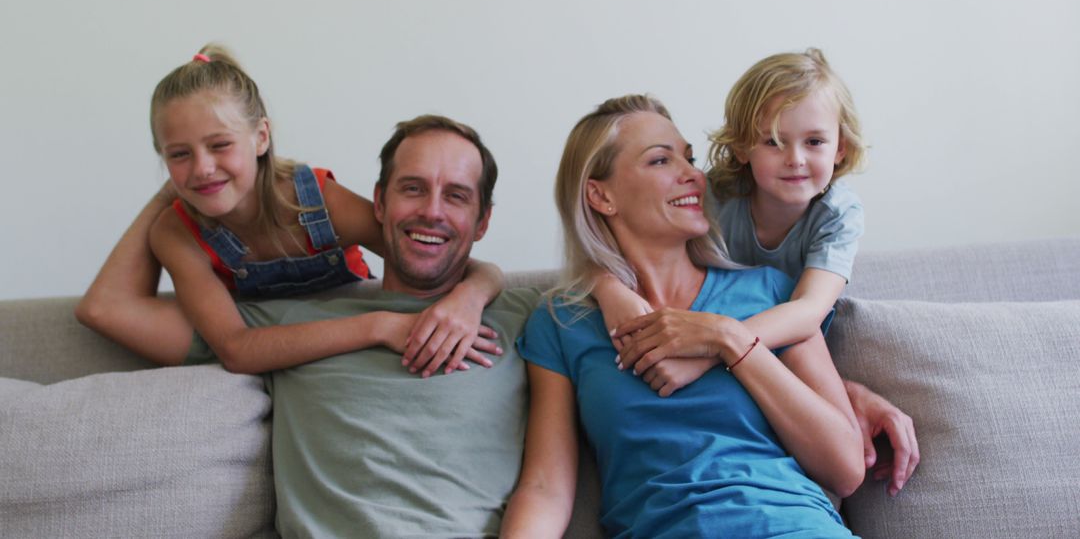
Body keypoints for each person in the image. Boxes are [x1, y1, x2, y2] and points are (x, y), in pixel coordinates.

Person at [502, 95, 864, 537]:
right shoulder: (562, 322)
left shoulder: (770, 294)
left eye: (689, 158)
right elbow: (544, 488)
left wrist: (727, 339)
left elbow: (845, 469)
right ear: (601, 195)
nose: (692, 173)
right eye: (660, 160)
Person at [190, 114, 540, 536]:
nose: (431, 211)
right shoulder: (289, 325)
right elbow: (107, 310)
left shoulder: (527, 317)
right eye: (413, 188)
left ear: (482, 221)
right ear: (379, 203)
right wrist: (182, 187)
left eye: (456, 196)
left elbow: (618, 287)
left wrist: (479, 288)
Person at [593, 49, 918, 496]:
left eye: (815, 142)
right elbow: (617, 239)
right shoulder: (715, 197)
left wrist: (712, 348)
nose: (796, 159)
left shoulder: (837, 213)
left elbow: (806, 310)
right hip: (741, 358)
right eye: (773, 141)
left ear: (841, 147)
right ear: (742, 147)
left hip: (786, 350)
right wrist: (608, 286)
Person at [76, 44, 503, 377]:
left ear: (261, 137)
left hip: (346, 332)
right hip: (274, 342)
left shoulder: (312, 201)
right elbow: (236, 348)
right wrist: (168, 193)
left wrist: (469, 297)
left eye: (220, 145)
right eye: (179, 154)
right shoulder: (175, 231)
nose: (203, 168)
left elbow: (441, 260)